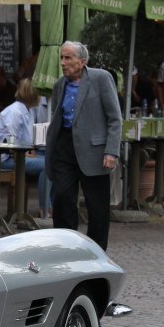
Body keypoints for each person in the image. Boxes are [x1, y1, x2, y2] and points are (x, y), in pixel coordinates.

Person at [46, 40, 121, 249]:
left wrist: (111, 151)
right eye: (61, 57)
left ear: (82, 61)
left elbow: (115, 118)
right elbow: (57, 117)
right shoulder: (60, 85)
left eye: (68, 58)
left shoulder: (101, 78)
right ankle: (65, 247)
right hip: (64, 146)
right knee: (62, 197)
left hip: (94, 150)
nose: (63, 62)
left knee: (96, 205)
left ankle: (96, 251)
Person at [0, 80, 47, 211]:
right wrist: (26, 154)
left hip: (19, 155)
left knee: (55, 161)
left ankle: (50, 206)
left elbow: (25, 138)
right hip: (7, 159)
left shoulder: (27, 110)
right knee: (48, 165)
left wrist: (29, 150)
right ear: (32, 94)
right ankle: (46, 208)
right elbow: (10, 142)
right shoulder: (15, 112)